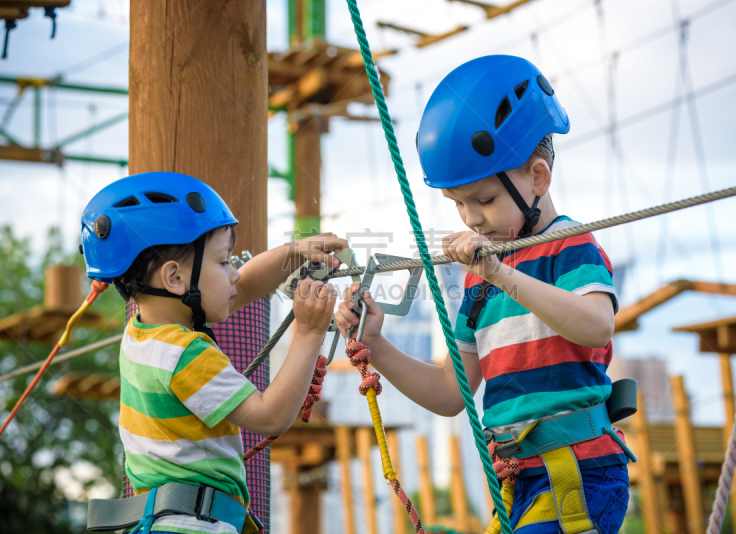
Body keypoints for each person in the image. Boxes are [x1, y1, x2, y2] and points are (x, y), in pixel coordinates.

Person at [335, 56, 632, 534]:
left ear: (537, 178)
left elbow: (597, 325)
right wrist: (377, 346)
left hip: (579, 472)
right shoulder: (480, 281)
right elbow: (453, 394)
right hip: (516, 482)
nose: (471, 218)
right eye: (458, 204)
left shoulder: (569, 244)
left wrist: (502, 276)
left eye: (485, 200)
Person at [82, 172, 344, 534]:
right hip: (193, 525)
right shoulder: (185, 352)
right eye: (224, 262)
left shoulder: (142, 337)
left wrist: (294, 252)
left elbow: (244, 285)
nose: (234, 274)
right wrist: (310, 332)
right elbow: (269, 417)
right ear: (174, 279)